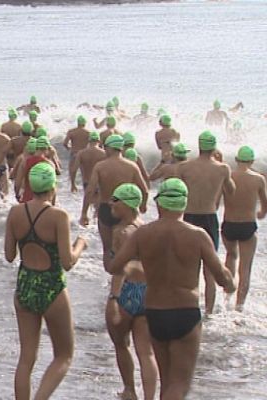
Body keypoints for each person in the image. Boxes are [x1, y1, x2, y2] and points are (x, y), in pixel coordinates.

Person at [110, 178, 235, 400]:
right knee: (179, 386)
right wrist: (230, 282)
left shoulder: (143, 233)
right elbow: (220, 276)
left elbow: (115, 266)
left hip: (155, 313)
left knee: (167, 383)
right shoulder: (197, 235)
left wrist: (135, 269)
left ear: (159, 204)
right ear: (184, 204)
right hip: (185, 313)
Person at [5, 162, 87, 400]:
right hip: (52, 288)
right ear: (53, 186)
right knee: (64, 355)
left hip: (25, 286)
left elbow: (10, 256)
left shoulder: (15, 212)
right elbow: (67, 262)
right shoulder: (58, 216)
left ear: (30, 185)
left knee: (26, 357)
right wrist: (81, 244)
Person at [104, 184, 158, 400]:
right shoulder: (147, 230)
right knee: (146, 352)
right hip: (147, 292)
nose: (110, 204)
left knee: (120, 343)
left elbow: (119, 270)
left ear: (127, 204)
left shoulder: (122, 232)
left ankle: (129, 390)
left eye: (115, 200)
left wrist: (114, 299)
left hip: (126, 291)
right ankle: (149, 397)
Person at [177, 131, 235, 315]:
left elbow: (177, 192)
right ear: (214, 147)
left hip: (189, 218)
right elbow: (231, 191)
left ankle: (189, 307)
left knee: (189, 267)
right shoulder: (222, 168)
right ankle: (209, 313)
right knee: (210, 270)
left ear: (199, 146)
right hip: (209, 218)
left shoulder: (184, 167)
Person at [82, 134, 148, 271]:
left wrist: (84, 213)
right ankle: (123, 279)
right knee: (127, 248)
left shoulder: (100, 166)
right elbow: (145, 190)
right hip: (127, 210)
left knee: (108, 249)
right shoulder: (131, 166)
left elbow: (90, 191)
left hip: (106, 208)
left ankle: (111, 276)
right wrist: (142, 205)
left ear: (109, 148)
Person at [220, 146, 267, 311]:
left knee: (231, 257)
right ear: (252, 161)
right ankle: (239, 306)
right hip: (248, 224)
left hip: (229, 223)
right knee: (245, 267)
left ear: (237, 160)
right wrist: (261, 213)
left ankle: (227, 296)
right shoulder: (258, 179)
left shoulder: (228, 176)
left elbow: (218, 198)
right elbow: (265, 203)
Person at [14, 136, 52, 203]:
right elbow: (52, 186)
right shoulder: (49, 164)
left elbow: (17, 182)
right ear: (47, 149)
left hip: (27, 200)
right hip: (44, 203)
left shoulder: (25, 162)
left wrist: (17, 195)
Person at [63, 115, 90, 180]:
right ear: (84, 123)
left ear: (78, 123)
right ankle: (85, 185)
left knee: (72, 171)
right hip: (84, 154)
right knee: (85, 173)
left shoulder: (71, 132)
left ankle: (72, 185)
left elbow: (65, 143)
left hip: (74, 153)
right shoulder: (88, 133)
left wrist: (68, 148)